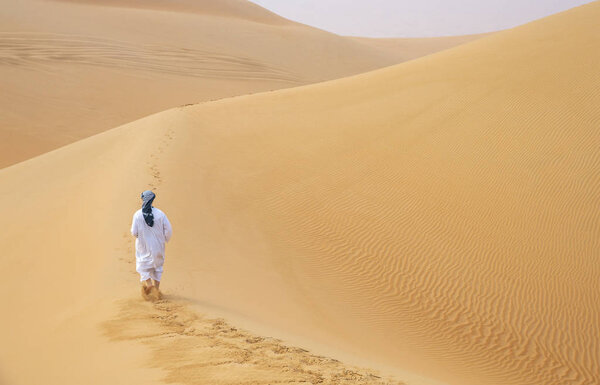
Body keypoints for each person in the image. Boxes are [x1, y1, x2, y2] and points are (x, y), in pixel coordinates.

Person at [131, 190, 172, 300]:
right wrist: (163, 239)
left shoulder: (137, 215)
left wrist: (142, 236)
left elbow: (134, 232)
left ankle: (149, 285)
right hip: (158, 245)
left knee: (143, 266)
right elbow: (168, 230)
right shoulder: (160, 214)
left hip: (143, 246)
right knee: (158, 267)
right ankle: (156, 289)